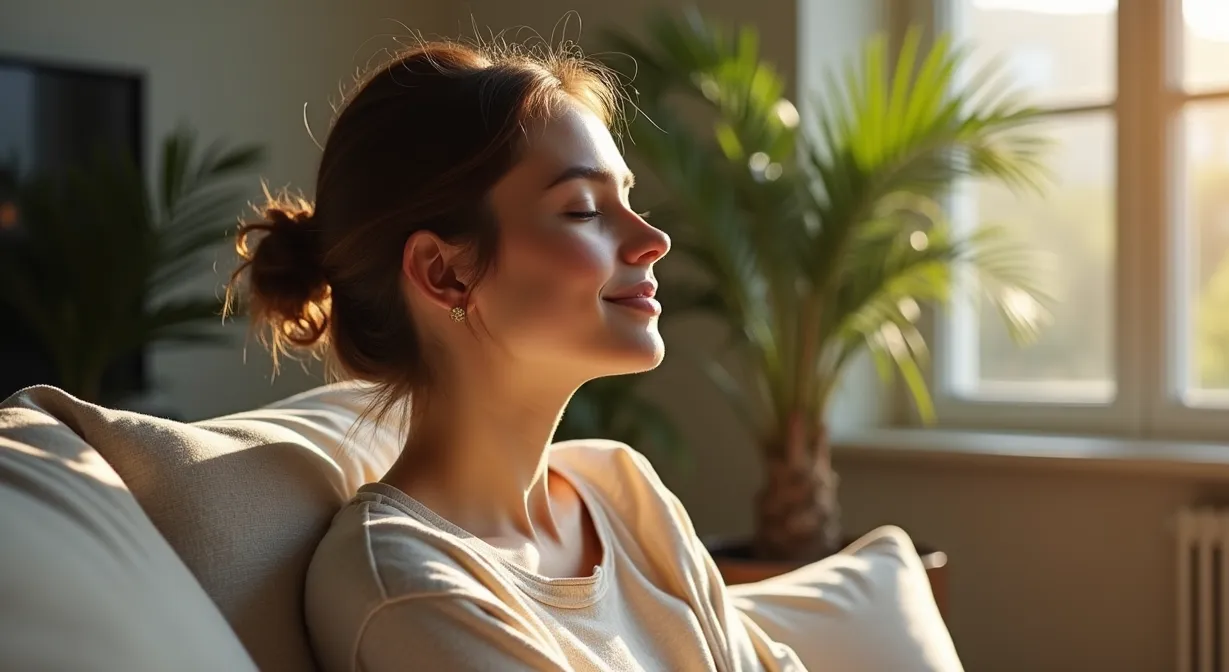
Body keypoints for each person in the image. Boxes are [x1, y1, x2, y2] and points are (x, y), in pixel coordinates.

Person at [227, 38, 804, 671]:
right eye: (584, 210)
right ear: (445, 274)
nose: (653, 239)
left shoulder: (622, 493)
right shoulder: (409, 585)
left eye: (629, 198)